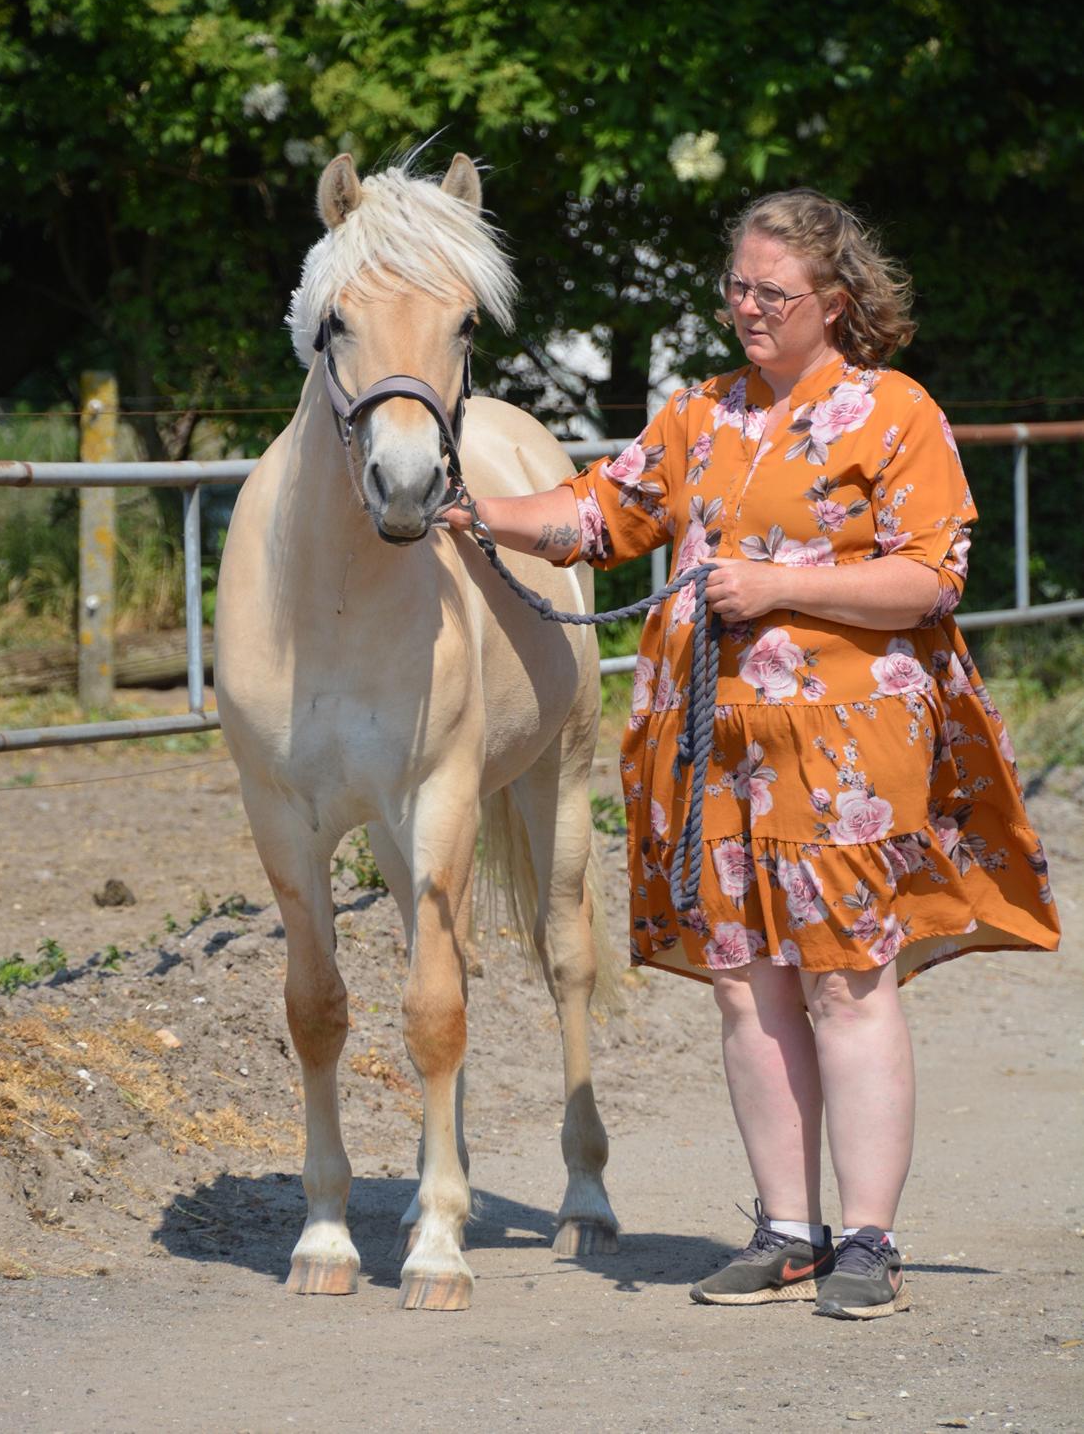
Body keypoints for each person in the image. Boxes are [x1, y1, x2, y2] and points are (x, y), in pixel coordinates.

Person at [445, 187, 1061, 1320]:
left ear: (835, 300)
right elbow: (596, 515)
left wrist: (782, 586)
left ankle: (868, 1240)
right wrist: (473, 509)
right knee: (746, 986)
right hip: (711, 745)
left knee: (847, 981)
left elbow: (930, 577)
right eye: (736, 287)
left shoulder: (894, 411)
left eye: (771, 292)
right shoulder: (701, 415)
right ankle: (786, 1230)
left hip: (849, 747)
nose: (746, 309)